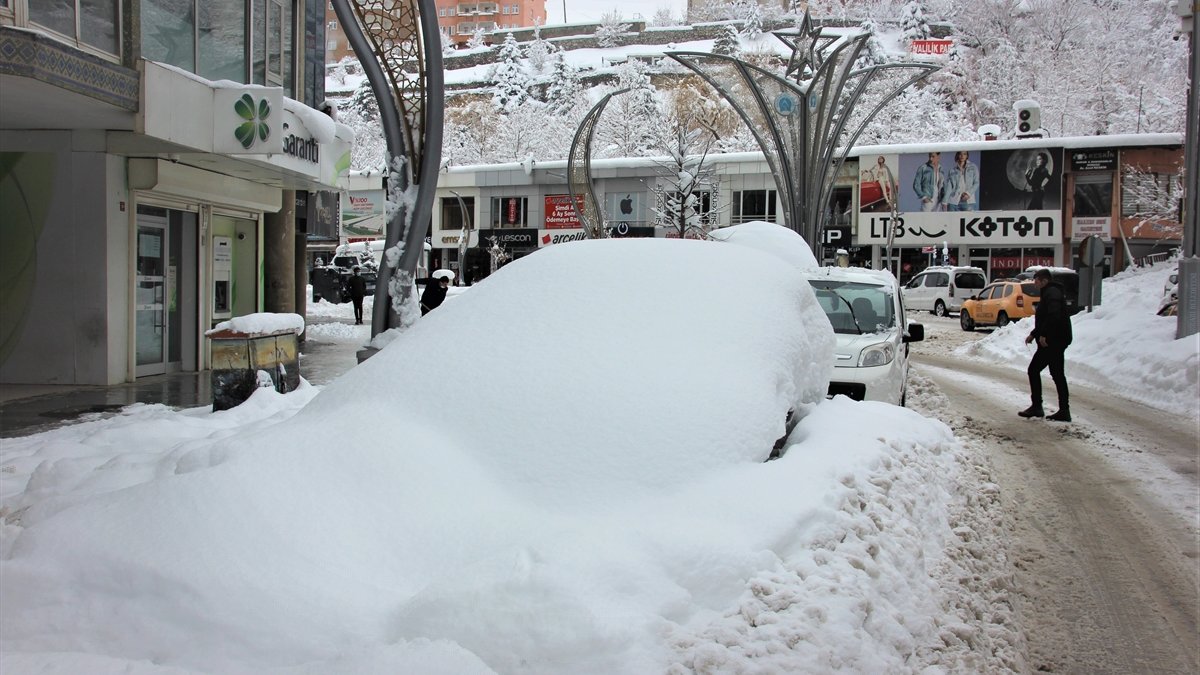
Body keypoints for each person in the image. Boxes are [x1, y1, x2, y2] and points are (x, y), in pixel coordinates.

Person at [1019, 268, 1073, 422]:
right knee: (1057, 375)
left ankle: (1037, 406)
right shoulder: (1050, 292)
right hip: (1054, 340)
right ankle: (1064, 410)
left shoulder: (1052, 293)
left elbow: (1053, 316)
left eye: (1036, 280)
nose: (1034, 283)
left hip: (1053, 341)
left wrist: (1044, 334)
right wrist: (1035, 333)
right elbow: (1045, 318)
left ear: (1044, 281)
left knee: (1034, 370)